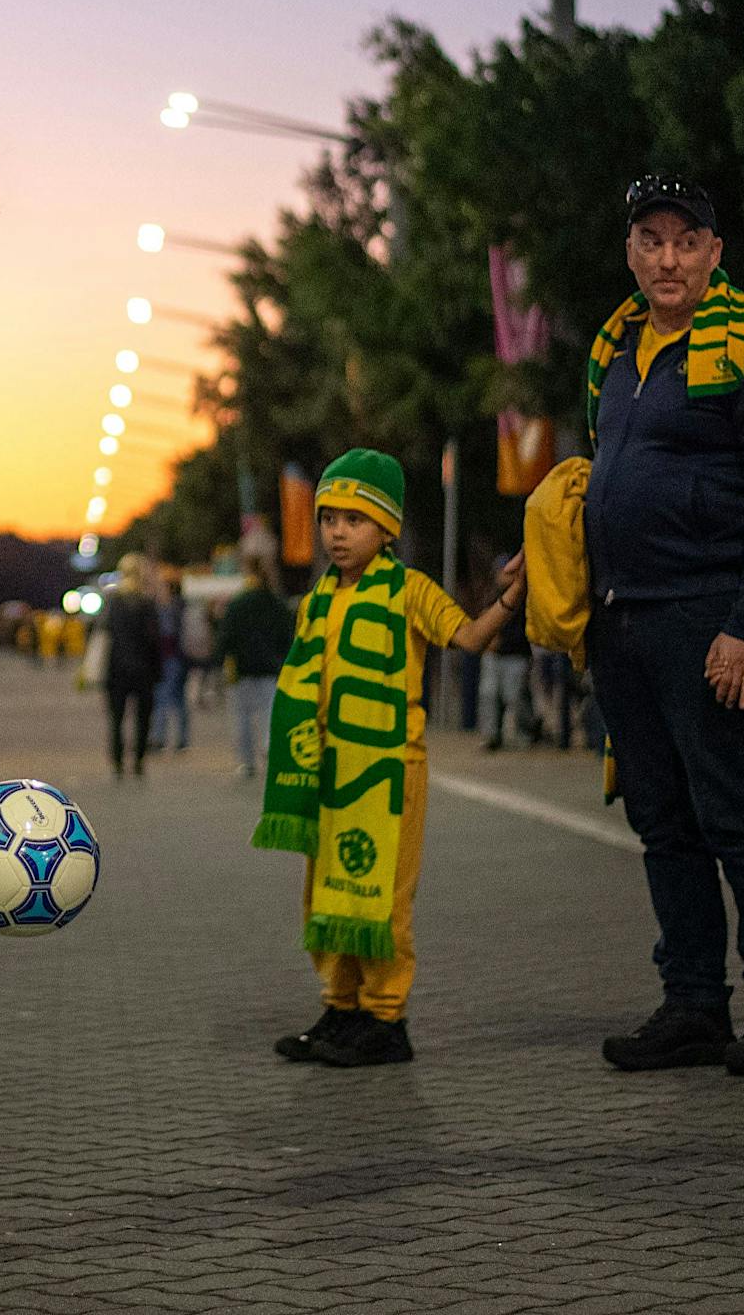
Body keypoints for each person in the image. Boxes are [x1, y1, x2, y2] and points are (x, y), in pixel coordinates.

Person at [584, 175, 744, 1077]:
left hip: (708, 621)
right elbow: (600, 471)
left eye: (687, 241)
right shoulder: (615, 350)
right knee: (661, 820)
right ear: (631, 250)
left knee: (733, 819)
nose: (668, 258)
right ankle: (692, 1005)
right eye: (651, 239)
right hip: (624, 621)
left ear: (715, 254)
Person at [254, 449, 525, 1068]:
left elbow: (472, 638)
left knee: (382, 899)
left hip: (388, 774)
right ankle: (340, 1007)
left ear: (386, 529)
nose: (337, 533)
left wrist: (513, 597)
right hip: (329, 775)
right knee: (325, 895)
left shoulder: (410, 590)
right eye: (328, 519)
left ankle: (386, 1019)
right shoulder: (319, 599)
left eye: (354, 519)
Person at [211, 559, 296, 778]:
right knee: (270, 712)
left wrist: (218, 662)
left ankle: (246, 763)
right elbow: (288, 635)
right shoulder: (277, 603)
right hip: (271, 668)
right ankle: (269, 746)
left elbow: (226, 636)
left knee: (242, 717)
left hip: (242, 670)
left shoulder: (237, 604)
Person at [102, 554, 162, 776]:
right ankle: (138, 760)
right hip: (143, 669)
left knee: (116, 719)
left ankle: (117, 762)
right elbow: (154, 639)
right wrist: (158, 669)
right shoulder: (147, 602)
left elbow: (103, 631)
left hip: (116, 668)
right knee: (142, 718)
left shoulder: (113, 600)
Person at [477, 558, 536, 751]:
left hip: (515, 654)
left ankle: (526, 732)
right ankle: (492, 736)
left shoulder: (522, 596)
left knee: (514, 697)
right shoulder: (492, 594)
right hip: (494, 655)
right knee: (489, 695)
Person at [150, 577, 190, 751]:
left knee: (161, 698)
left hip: (168, 659)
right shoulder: (183, 607)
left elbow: (166, 635)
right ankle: (182, 738)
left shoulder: (167, 610)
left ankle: (158, 738)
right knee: (180, 700)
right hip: (184, 658)